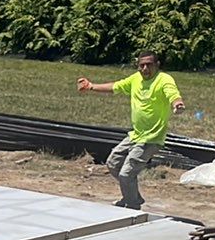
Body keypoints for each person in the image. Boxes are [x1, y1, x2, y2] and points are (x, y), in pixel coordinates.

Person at [77, 52, 186, 209]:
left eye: (149, 64)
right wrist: (91, 86)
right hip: (135, 135)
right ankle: (133, 197)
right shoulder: (136, 79)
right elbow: (116, 86)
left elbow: (173, 94)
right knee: (113, 163)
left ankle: (132, 205)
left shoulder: (164, 80)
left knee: (126, 174)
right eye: (142, 65)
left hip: (151, 139)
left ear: (157, 65)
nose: (145, 68)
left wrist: (177, 104)